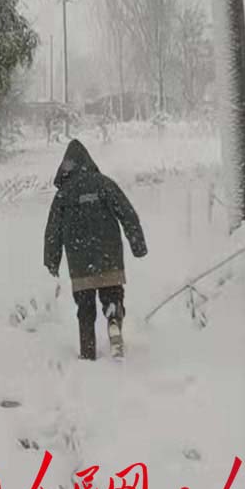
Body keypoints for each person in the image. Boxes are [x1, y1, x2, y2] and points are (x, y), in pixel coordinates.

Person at [43, 138, 147, 361]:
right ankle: (113, 320)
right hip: (109, 258)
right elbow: (127, 213)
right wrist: (137, 245)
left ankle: (88, 352)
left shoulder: (64, 194)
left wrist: (52, 260)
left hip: (80, 265)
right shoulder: (104, 185)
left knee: (85, 309)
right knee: (112, 296)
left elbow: (53, 231)